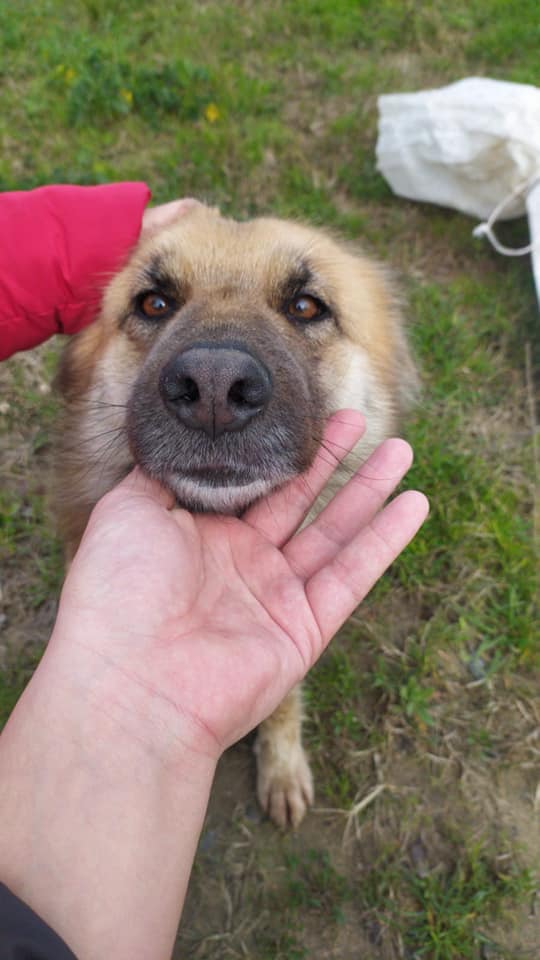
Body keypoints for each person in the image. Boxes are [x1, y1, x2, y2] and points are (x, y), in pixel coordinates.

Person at [0, 185, 429, 960]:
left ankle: (281, 733)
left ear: (388, 381)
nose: (214, 376)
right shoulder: (103, 543)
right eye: (156, 305)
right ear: (83, 375)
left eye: (306, 312)